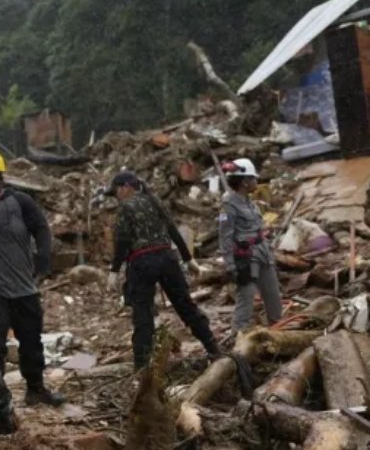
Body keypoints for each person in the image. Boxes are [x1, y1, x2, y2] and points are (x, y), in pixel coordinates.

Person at [0, 150, 65, 409]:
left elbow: (41, 228)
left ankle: (35, 389)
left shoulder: (19, 202)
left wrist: (43, 258)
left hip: (23, 287)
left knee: (31, 342)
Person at [105, 171, 221, 369]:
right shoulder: (154, 200)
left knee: (143, 316)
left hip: (142, 263)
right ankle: (214, 350)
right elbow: (173, 230)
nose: (116, 196)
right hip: (168, 259)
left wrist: (114, 270)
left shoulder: (125, 206)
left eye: (116, 191)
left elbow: (122, 239)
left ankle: (141, 369)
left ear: (126, 187)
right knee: (186, 307)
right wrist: (188, 259)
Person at [219, 158, 282, 333]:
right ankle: (237, 339)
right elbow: (224, 237)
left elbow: (255, 228)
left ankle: (278, 333)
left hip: (262, 253)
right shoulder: (229, 205)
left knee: (273, 296)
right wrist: (230, 265)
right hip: (246, 258)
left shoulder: (250, 202)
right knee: (246, 299)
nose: (256, 182)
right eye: (253, 179)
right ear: (245, 182)